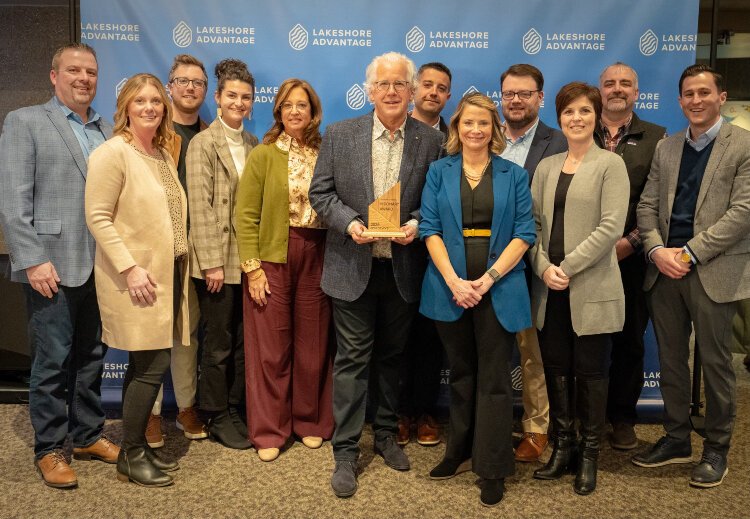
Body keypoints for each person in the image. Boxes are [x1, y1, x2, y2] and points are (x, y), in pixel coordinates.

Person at [309, 51, 444, 498]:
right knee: (352, 361)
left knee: (392, 357)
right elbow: (321, 193)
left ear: (411, 91)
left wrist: (417, 223)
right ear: (369, 91)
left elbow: (438, 201)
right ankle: (346, 451)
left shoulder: (429, 140)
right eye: (382, 84)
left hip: (403, 267)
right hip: (352, 265)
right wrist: (350, 224)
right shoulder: (340, 134)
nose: (391, 91)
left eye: (399, 84)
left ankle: (385, 435)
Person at [0, 42, 119, 489]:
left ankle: (87, 435)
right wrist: (32, 260)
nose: (83, 78)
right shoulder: (26, 121)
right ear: (54, 76)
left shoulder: (107, 129)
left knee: (92, 357)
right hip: (50, 265)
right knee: (51, 362)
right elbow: (13, 202)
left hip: (100, 267)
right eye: (73, 70)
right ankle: (49, 448)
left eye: (90, 71)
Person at [633, 64, 750, 488]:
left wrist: (690, 253)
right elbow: (646, 206)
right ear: (680, 100)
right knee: (670, 361)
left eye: (704, 92)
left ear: (721, 97)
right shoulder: (667, 147)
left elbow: (744, 212)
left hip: (713, 269)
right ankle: (676, 437)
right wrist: (655, 248)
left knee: (717, 364)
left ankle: (717, 447)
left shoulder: (745, 145)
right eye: (688, 94)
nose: (696, 100)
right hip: (664, 270)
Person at [419, 92, 535, 507]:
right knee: (462, 374)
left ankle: (493, 467)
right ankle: (460, 451)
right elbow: (428, 228)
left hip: (497, 288)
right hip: (449, 288)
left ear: (494, 129)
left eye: (483, 123)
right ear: (457, 127)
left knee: (495, 381)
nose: (475, 130)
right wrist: (454, 280)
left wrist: (485, 280)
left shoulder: (513, 174)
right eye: (468, 122)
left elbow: (525, 233)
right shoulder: (438, 171)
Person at [85, 73, 190, 487]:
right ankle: (131, 454)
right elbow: (97, 216)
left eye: (156, 101)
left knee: (145, 365)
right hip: (136, 279)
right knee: (151, 366)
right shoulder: (113, 153)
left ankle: (138, 448)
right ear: (126, 107)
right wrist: (129, 268)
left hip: (165, 276)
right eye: (140, 100)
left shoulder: (163, 154)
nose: (150, 107)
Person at [529, 82, 628, 495]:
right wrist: (542, 267)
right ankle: (563, 447)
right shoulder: (547, 167)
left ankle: (589, 454)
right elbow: (530, 226)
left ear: (596, 116)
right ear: (560, 117)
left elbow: (611, 228)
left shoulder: (611, 165)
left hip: (591, 286)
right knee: (556, 370)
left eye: (585, 111)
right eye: (569, 112)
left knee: (591, 374)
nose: (577, 119)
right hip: (549, 289)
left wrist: (565, 267)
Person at [235, 78, 333, 462]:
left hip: (318, 254)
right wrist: (252, 268)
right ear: (278, 110)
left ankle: (310, 421)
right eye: (288, 105)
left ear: (313, 112)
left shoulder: (326, 152)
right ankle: (270, 429)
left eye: (303, 106)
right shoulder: (263, 155)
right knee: (271, 349)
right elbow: (245, 215)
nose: (295, 111)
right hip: (273, 256)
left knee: (313, 345)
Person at [186, 58, 257, 450]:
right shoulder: (203, 143)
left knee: (243, 341)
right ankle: (214, 414)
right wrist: (211, 262)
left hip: (246, 261)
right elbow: (201, 206)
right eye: (232, 95)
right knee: (218, 343)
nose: (239, 102)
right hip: (217, 263)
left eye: (245, 97)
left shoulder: (252, 143)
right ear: (217, 97)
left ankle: (236, 406)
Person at [594, 62, 666, 451]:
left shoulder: (657, 137)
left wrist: (629, 243)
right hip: (583, 259)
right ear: (599, 91)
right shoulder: (580, 130)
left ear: (637, 93)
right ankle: (582, 415)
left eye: (625, 84)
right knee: (584, 339)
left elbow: (655, 203)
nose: (617, 89)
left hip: (631, 259)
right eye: (609, 84)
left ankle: (622, 418)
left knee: (629, 341)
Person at [499, 63, 568, 462]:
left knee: (532, 352)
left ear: (540, 98)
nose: (516, 100)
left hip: (535, 262)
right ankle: (485, 421)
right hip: (483, 264)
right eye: (509, 93)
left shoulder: (558, 142)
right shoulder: (484, 136)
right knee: (488, 350)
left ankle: (536, 428)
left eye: (525, 93)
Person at [147, 53, 210, 448]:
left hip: (196, 253)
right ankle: (150, 413)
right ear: (170, 86)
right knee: (153, 333)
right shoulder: (151, 135)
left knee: (187, 334)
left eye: (198, 82)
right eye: (183, 81)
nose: (190, 87)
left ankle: (185, 406)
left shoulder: (208, 135)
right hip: (155, 251)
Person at [398, 61, 453, 447]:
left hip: (443, 256)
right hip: (396, 250)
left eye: (441, 88)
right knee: (399, 338)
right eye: (427, 85)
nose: (433, 92)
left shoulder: (457, 138)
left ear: (449, 96)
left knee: (434, 340)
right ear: (415, 89)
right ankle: (400, 413)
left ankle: (427, 411)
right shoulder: (391, 130)